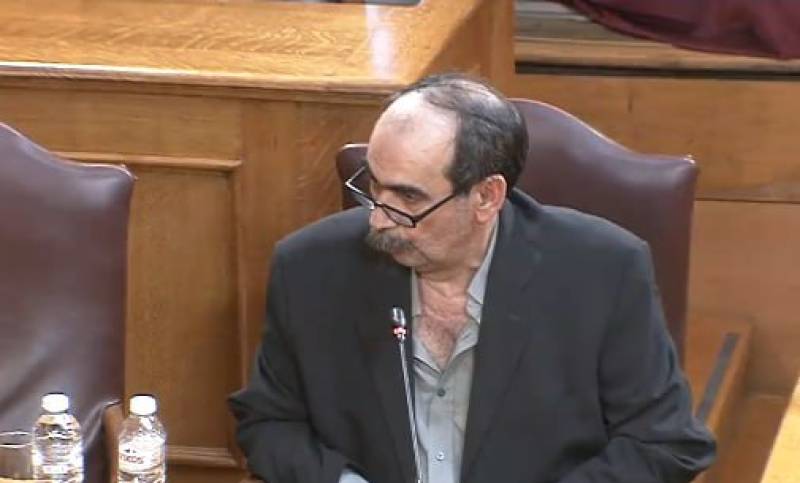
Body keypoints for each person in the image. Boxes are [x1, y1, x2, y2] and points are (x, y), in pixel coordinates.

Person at [228, 73, 716, 483]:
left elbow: (665, 443)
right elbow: (269, 424)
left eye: (409, 198)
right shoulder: (310, 267)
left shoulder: (603, 272)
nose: (378, 219)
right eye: (374, 186)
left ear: (486, 197)